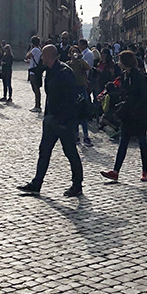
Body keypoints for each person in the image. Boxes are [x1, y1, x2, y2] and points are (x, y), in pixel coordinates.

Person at [18, 45, 84, 197]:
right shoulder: (50, 70)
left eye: (43, 55)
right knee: (44, 151)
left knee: (70, 152)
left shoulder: (65, 72)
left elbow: (70, 99)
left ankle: (77, 184)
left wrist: (64, 120)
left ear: (49, 56)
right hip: (51, 119)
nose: (41, 58)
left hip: (64, 121)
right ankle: (36, 183)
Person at [100, 50, 147, 183]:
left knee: (142, 142)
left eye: (120, 60)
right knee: (123, 143)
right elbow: (123, 93)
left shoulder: (138, 76)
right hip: (128, 114)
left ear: (125, 62)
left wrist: (133, 106)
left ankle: (145, 171)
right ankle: (116, 171)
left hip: (139, 114)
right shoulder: (124, 75)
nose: (118, 63)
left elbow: (144, 96)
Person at [68, 47, 92, 147]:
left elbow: (88, 67)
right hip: (73, 89)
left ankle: (86, 136)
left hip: (82, 88)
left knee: (83, 113)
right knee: (74, 113)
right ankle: (76, 135)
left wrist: (80, 59)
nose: (74, 53)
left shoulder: (81, 63)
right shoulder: (68, 64)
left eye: (76, 52)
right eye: (73, 52)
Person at [26, 36, 43, 111]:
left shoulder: (34, 50)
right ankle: (37, 105)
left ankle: (37, 106)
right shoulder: (39, 50)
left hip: (34, 71)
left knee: (35, 88)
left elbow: (27, 56)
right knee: (36, 88)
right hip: (36, 69)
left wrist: (30, 48)